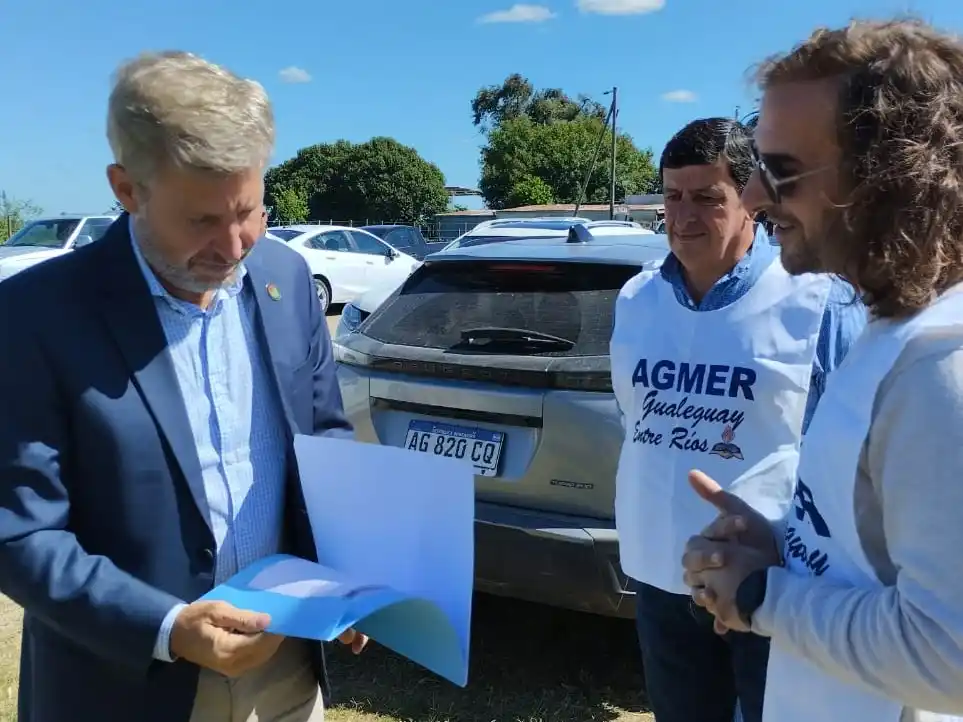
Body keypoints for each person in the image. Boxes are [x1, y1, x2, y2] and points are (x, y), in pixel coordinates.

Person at [0, 51, 368, 722]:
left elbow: (324, 442)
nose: (233, 247)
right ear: (127, 188)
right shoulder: (34, 316)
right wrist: (168, 628)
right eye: (201, 220)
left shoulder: (285, 281)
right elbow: (20, 532)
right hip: (123, 685)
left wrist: (346, 574)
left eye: (250, 211)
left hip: (284, 669)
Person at [682, 18, 963, 722]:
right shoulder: (895, 328)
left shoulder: (939, 368)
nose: (749, 197)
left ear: (887, 176)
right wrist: (783, 544)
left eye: (777, 171)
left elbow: (948, 657)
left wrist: (759, 596)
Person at [609, 117, 865, 722]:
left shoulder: (816, 300)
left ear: (749, 199)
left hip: (770, 580)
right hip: (660, 572)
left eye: (707, 198)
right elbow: (636, 420)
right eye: (672, 196)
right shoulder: (635, 299)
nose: (684, 216)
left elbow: (853, 452)